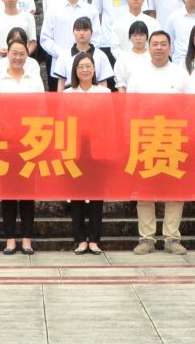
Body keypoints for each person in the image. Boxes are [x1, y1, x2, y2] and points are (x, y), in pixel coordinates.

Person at [126, 29, 190, 255]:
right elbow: (130, 108)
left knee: (175, 191)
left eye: (164, 44)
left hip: (174, 138)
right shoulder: (138, 74)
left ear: (170, 47)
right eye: (155, 44)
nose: (159, 48)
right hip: (146, 138)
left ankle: (172, 238)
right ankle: (147, 238)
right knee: (145, 190)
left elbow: (190, 107)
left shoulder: (181, 74)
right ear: (149, 47)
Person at [0, 34, 45, 255]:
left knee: (28, 193)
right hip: (6, 142)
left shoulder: (34, 79)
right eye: (14, 53)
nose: (18, 57)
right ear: (8, 54)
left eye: (22, 54)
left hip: (29, 142)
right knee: (8, 192)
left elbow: (41, 109)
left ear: (27, 56)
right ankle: (10, 239)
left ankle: (27, 239)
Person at [64, 52, 110, 254]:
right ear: (75, 70)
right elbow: (62, 122)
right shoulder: (67, 94)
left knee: (97, 195)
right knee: (76, 195)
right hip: (75, 149)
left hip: (98, 149)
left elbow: (110, 121)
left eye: (88, 66)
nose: (85, 70)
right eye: (81, 66)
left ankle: (94, 239)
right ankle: (80, 239)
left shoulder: (104, 93)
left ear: (94, 69)